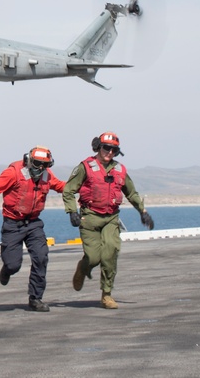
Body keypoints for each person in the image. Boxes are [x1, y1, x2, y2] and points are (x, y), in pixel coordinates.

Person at [62, 131, 154, 309]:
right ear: (98, 147)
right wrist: (72, 211)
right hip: (89, 218)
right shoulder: (85, 167)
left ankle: (107, 294)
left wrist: (143, 211)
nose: (110, 153)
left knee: (110, 254)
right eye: (106, 148)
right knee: (94, 257)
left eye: (114, 150)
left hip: (111, 218)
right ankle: (83, 268)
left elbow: (131, 193)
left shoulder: (120, 170)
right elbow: (68, 190)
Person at [0, 146, 65, 312]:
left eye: (44, 165)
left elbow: (61, 186)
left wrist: (83, 188)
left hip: (33, 223)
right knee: (13, 265)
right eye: (37, 163)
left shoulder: (47, 175)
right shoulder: (14, 172)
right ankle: (7, 269)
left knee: (41, 257)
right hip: (13, 223)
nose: (40, 168)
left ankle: (35, 298)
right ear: (29, 161)